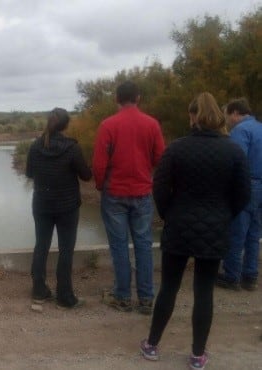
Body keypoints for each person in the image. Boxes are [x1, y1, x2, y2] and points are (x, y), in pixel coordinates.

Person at [140, 92, 250, 369]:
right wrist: (224, 215)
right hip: (215, 228)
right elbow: (243, 195)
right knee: (204, 292)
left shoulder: (176, 148)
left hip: (179, 226)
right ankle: (198, 355)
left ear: (193, 117)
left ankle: (152, 345)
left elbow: (160, 188)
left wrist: (170, 215)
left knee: (169, 287)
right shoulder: (233, 150)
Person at [92, 81, 165, 314]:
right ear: (138, 98)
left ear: (117, 99)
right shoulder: (152, 124)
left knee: (119, 245)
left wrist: (100, 185)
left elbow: (99, 163)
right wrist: (146, 172)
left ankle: (122, 296)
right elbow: (160, 158)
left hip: (115, 193)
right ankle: (146, 299)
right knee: (143, 244)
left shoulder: (108, 125)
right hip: (142, 192)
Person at [25, 107, 92, 309]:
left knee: (41, 246)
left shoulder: (35, 146)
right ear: (66, 125)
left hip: (42, 204)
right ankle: (65, 296)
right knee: (66, 250)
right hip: (68, 206)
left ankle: (39, 291)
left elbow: (29, 174)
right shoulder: (72, 148)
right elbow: (86, 175)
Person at [216, 98, 262, 291]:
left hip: (247, 185)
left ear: (234, 113)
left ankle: (231, 275)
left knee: (237, 231)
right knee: (254, 233)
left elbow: (236, 161)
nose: (227, 120)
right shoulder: (260, 127)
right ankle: (250, 276)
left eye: (227, 115)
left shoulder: (240, 131)